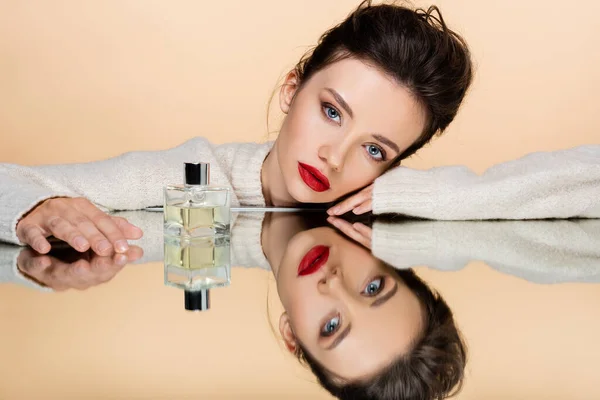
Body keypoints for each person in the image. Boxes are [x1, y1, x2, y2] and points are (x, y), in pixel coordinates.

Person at [0, 0, 598, 258]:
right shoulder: (195, 173)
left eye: (374, 148)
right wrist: (41, 205)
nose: (335, 156)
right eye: (331, 111)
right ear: (293, 88)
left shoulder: (387, 203)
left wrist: (436, 195)